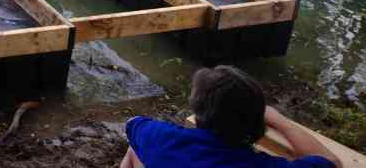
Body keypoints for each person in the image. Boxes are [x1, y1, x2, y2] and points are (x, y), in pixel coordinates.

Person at [121, 65, 341, 168]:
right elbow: (333, 163)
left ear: (199, 115)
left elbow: (132, 124)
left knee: (135, 149)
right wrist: (282, 123)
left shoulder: (163, 139)